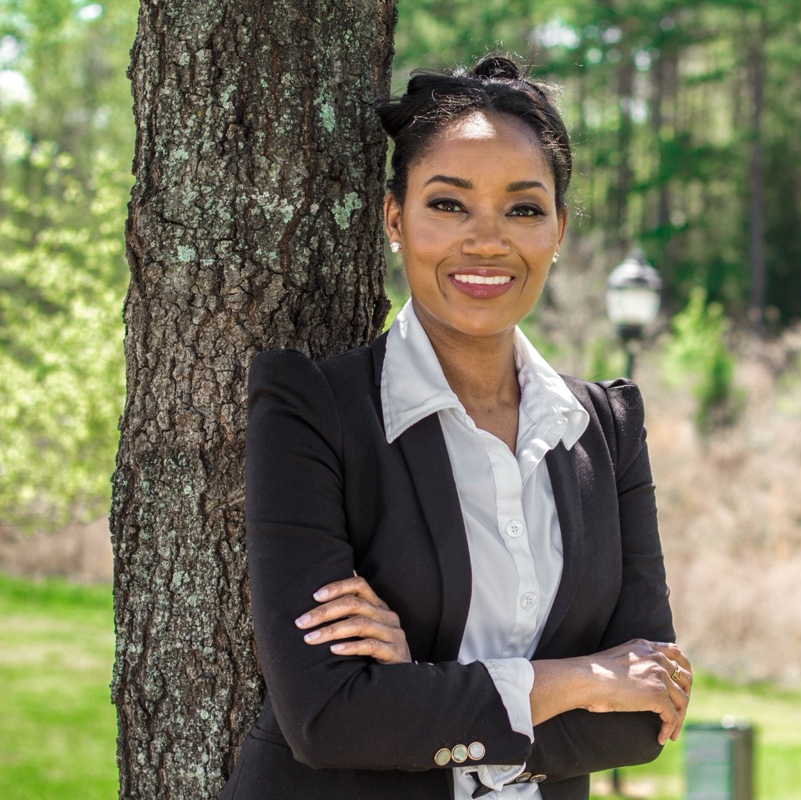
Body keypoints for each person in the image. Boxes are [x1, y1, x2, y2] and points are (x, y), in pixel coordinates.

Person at [219, 54, 691, 800]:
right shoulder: (313, 410)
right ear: (395, 219)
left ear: (558, 231)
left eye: (524, 209)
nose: (487, 240)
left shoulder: (604, 428)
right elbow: (328, 718)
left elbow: (640, 719)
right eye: (449, 204)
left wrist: (418, 691)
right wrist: (578, 679)